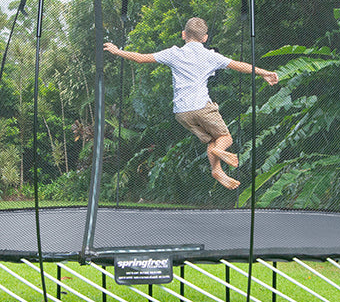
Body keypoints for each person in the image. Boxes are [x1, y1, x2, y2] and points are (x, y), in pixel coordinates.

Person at [103, 17, 279, 190]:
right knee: (225, 138)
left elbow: (140, 58)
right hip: (202, 107)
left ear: (183, 34)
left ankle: (216, 171)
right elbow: (239, 65)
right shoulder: (210, 56)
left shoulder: (173, 53)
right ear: (205, 38)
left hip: (182, 113)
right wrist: (264, 73)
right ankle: (219, 151)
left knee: (212, 141)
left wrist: (117, 51)